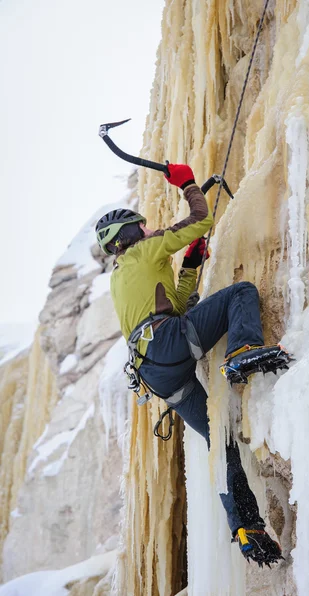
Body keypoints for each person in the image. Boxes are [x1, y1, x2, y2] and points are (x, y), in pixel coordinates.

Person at [95, 164, 284, 567]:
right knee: (242, 293)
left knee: (221, 441)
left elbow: (178, 307)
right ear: (129, 237)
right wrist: (187, 184)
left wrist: (193, 265)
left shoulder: (122, 276)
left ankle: (245, 527)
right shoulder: (144, 250)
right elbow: (202, 219)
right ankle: (242, 352)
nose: (149, 231)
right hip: (168, 344)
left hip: (157, 373)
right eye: (142, 228)